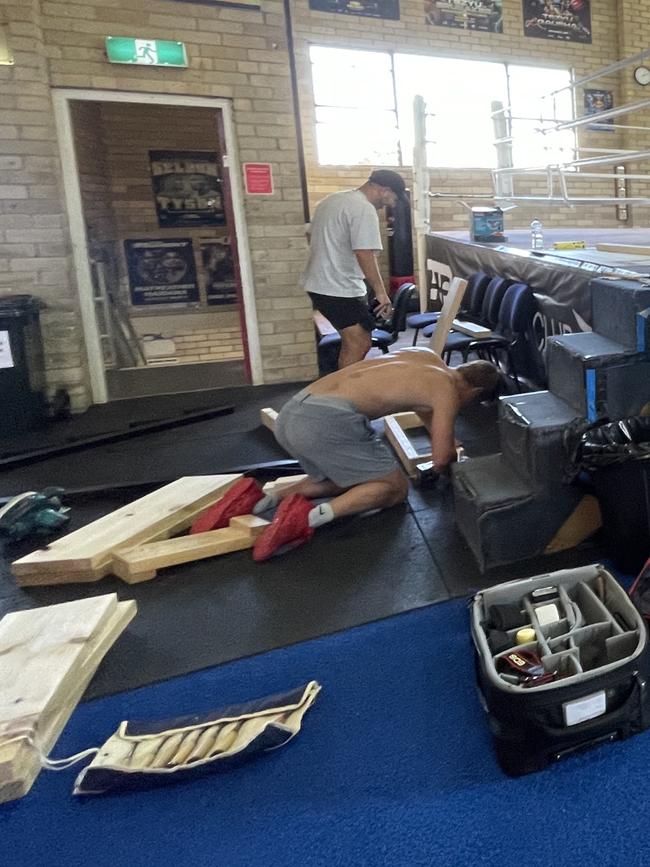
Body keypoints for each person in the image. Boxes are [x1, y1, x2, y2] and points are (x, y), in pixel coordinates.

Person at [196, 348, 499, 560]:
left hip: (294, 413)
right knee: (393, 488)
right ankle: (306, 518)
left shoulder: (426, 357)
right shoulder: (446, 388)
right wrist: (454, 468)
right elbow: (441, 458)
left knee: (355, 477)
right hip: (326, 423)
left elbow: (431, 419)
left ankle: (259, 497)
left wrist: (449, 441)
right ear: (472, 393)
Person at [302, 169, 409, 368]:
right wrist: (381, 293)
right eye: (392, 199)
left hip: (321, 284)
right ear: (384, 190)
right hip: (337, 287)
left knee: (356, 341)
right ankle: (344, 394)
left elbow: (309, 234)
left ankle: (343, 389)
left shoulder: (332, 200)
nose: (390, 205)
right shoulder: (363, 209)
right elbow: (364, 253)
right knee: (359, 343)